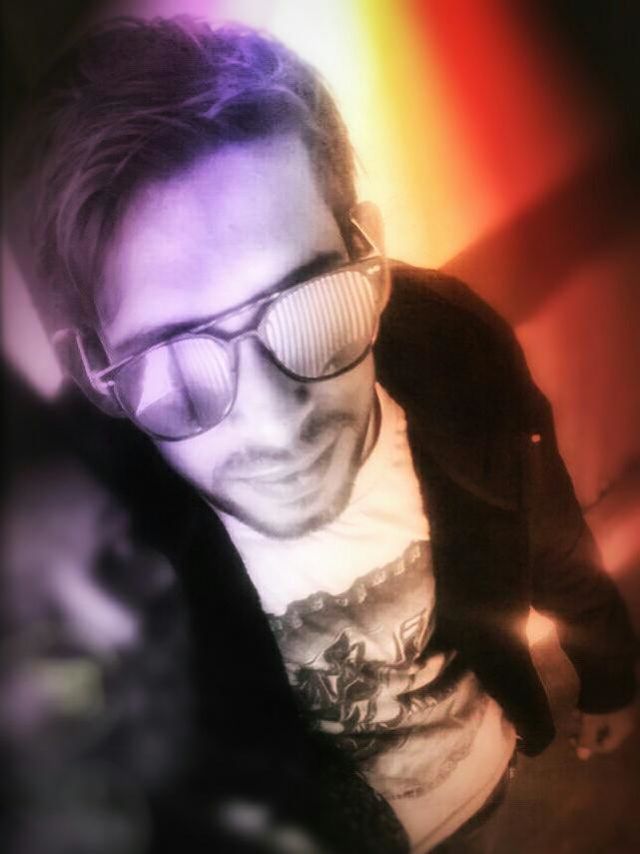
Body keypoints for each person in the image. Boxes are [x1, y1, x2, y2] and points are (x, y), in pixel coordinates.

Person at [7, 15, 637, 853]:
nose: (278, 421)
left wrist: (609, 670)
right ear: (97, 374)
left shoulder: (455, 353)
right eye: (179, 364)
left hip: (487, 777)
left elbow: (549, 532)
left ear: (367, 263)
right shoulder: (85, 535)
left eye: (313, 304)